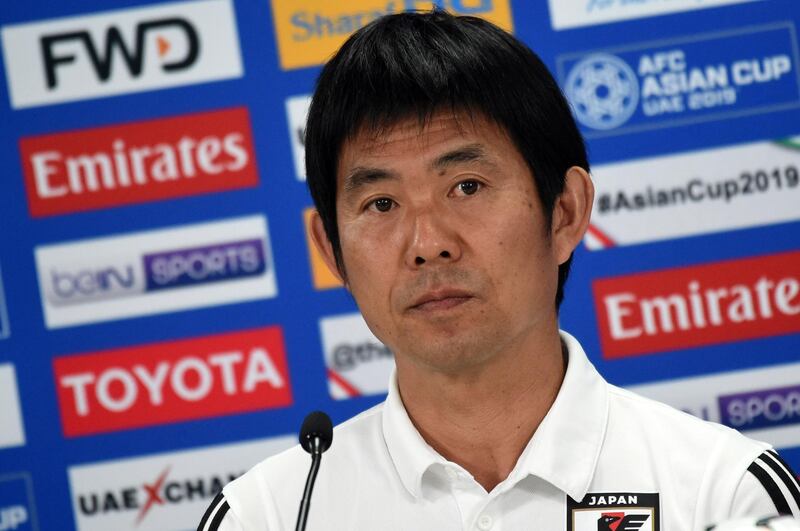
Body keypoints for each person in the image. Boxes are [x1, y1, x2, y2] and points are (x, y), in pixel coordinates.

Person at [199, 10, 800, 530]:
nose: (427, 244)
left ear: (565, 212)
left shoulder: (723, 492)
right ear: (330, 249)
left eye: (467, 186)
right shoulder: (269, 515)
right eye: (381, 204)